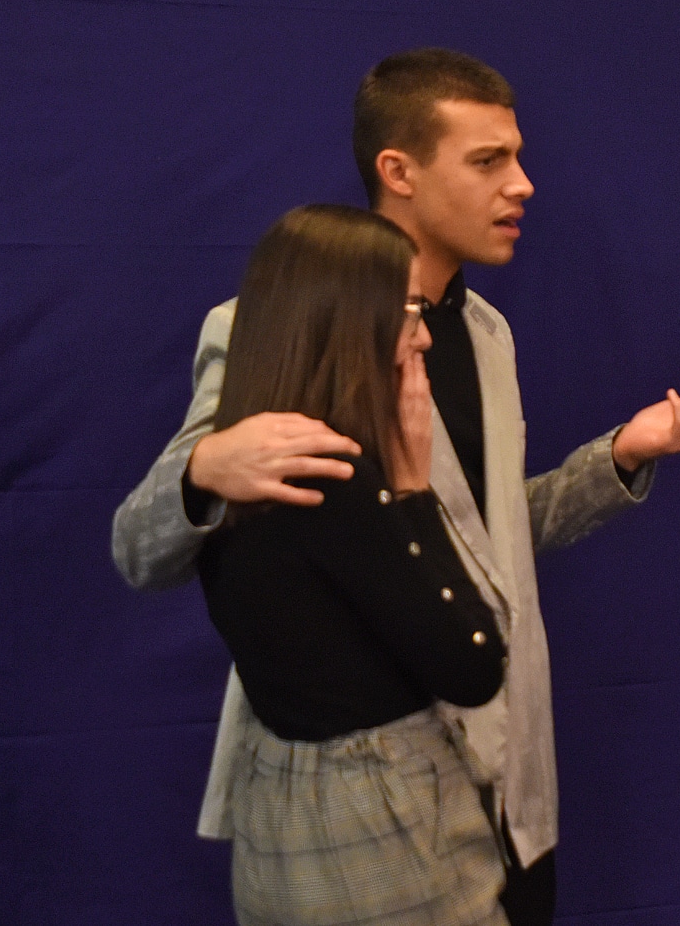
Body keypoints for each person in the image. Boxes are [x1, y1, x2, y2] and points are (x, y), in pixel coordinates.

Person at [112, 48, 680, 926]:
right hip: (362, 815)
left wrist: (622, 458)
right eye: (489, 161)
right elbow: (140, 550)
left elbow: (474, 543)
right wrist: (201, 469)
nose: (523, 184)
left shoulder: (488, 333)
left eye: (520, 157)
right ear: (399, 172)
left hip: (506, 781)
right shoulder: (270, 328)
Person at [199, 203, 507, 924]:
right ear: (346, 316)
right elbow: (473, 663)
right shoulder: (340, 481)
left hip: (277, 820)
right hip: (380, 842)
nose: (424, 336)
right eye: (407, 308)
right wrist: (411, 489)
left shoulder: (228, 475)